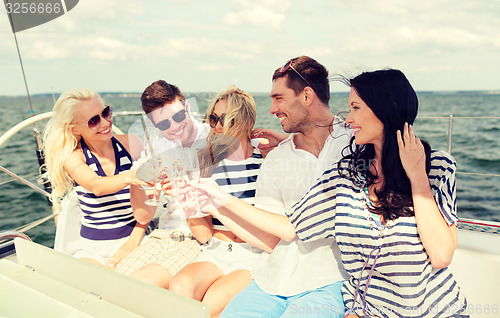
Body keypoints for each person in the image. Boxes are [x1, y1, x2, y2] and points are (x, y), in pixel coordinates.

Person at [287, 69, 468, 317]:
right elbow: (291, 227)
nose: (348, 119)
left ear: (384, 109)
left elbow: (441, 256)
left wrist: (417, 178)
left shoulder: (437, 167)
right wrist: (223, 201)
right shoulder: (347, 174)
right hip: (368, 310)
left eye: (356, 108)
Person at [186, 56, 353, 317]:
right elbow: (268, 239)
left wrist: (219, 198)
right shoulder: (276, 157)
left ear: (307, 95)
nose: (272, 109)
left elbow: (291, 228)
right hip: (271, 281)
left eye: (279, 98)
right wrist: (211, 205)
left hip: (329, 281)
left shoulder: (355, 143)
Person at [168, 86, 266, 317]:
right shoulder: (205, 162)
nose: (217, 126)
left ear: (247, 121)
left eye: (225, 119)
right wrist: (187, 199)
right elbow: (203, 234)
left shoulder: (267, 159)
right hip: (216, 251)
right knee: (179, 288)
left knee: (211, 305)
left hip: (252, 255)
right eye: (213, 119)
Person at [114, 80, 208, 287]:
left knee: (139, 284)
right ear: (154, 125)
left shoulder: (213, 138)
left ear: (187, 107)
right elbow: (142, 214)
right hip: (162, 233)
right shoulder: (156, 148)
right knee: (114, 280)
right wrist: (139, 179)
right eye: (164, 124)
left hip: (199, 236)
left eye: (179, 116)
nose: (174, 126)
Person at [43, 88, 150, 267]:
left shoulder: (132, 144)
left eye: (105, 113)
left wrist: (132, 242)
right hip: (91, 248)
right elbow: (96, 186)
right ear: (75, 129)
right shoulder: (74, 157)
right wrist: (131, 176)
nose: (105, 122)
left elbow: (149, 202)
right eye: (93, 121)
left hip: (136, 238)